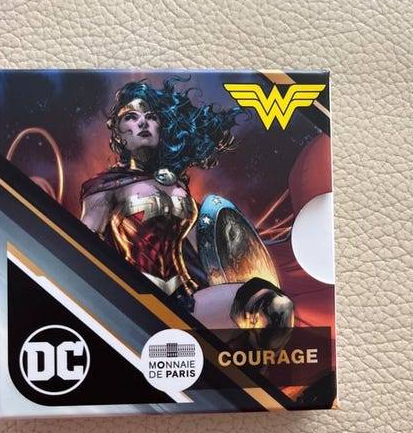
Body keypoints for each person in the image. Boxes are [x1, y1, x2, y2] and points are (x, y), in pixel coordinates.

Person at [80, 78, 293, 329]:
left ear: (161, 127)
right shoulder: (105, 187)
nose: (143, 122)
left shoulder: (177, 186)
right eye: (131, 117)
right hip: (133, 300)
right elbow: (82, 249)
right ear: (117, 132)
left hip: (187, 299)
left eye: (151, 117)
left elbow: (202, 250)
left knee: (274, 306)